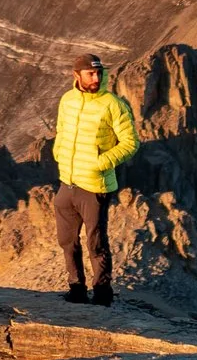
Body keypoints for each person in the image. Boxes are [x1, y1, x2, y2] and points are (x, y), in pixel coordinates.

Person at [50, 54, 138, 306]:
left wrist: (100, 164)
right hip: (67, 182)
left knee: (96, 243)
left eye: (99, 73)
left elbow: (130, 143)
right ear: (76, 75)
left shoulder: (113, 104)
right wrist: (58, 153)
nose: (96, 78)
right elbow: (61, 131)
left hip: (94, 186)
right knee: (67, 241)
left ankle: (102, 294)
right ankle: (76, 288)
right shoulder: (67, 100)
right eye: (90, 74)